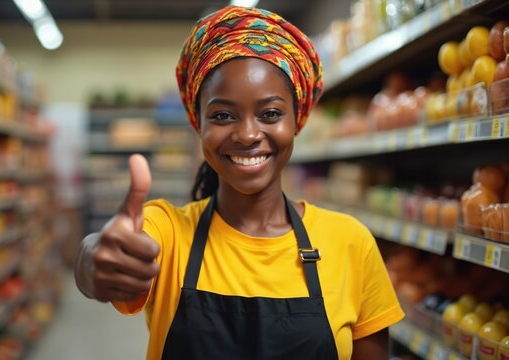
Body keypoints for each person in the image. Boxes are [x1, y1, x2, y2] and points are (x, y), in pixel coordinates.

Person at [75, 5, 404, 360]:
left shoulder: (350, 243)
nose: (248, 134)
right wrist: (94, 260)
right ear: (198, 124)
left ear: (297, 120)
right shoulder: (170, 232)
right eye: (223, 115)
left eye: (270, 113)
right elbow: (109, 251)